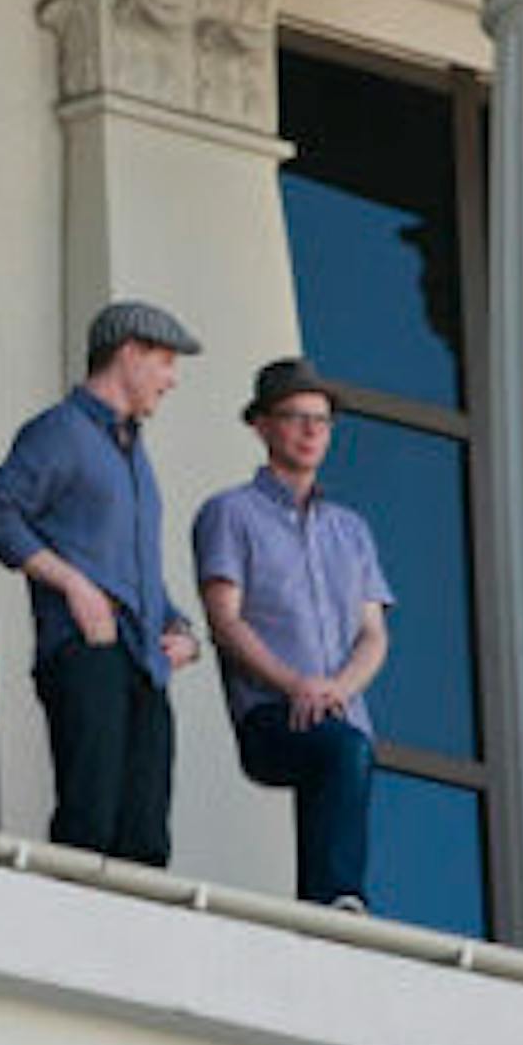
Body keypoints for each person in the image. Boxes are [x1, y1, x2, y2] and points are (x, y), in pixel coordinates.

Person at [0, 301, 204, 866]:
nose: (172, 380)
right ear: (129, 353)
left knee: (146, 838)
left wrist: (181, 629)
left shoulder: (134, 454)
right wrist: (73, 585)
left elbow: (135, 568)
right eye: (165, 363)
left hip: (145, 664)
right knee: (89, 819)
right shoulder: (59, 432)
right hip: (86, 652)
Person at [191, 356, 392, 911]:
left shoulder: (351, 530)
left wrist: (338, 688)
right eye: (296, 417)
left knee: (344, 753)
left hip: (339, 712)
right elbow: (225, 621)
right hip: (270, 712)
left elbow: (373, 633)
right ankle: (337, 900)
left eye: (322, 421)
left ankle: (322, 912)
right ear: (262, 425)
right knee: (340, 751)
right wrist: (297, 684)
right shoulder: (230, 513)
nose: (310, 431)